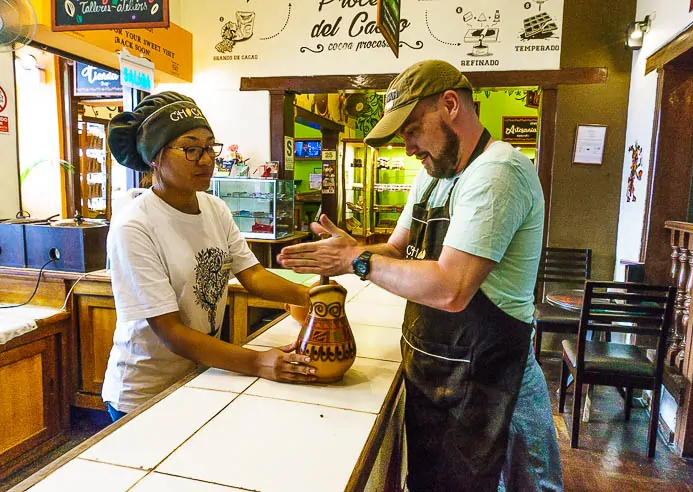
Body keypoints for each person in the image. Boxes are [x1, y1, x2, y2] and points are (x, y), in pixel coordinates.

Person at [277, 60, 561, 491]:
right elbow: (394, 249)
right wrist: (346, 249)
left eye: (411, 129)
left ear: (450, 105)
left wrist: (356, 260)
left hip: (491, 383)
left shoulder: (498, 172)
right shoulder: (432, 179)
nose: (408, 147)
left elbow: (451, 289)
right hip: (437, 372)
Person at [103, 92, 316, 422]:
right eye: (191, 149)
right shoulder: (135, 224)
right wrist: (258, 362)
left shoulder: (214, 208)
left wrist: (311, 296)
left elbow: (253, 275)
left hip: (201, 373)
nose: (205, 159)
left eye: (209, 148)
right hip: (145, 392)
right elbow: (171, 332)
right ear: (155, 157)